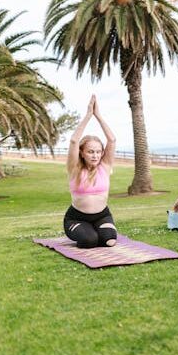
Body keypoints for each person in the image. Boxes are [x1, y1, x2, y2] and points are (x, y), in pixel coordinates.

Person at [64, 95, 117, 248]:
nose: (95, 155)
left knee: (110, 241)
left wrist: (98, 115)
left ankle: (98, 230)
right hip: (77, 218)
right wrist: (88, 115)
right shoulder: (74, 168)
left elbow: (112, 140)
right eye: (90, 152)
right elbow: (74, 141)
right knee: (89, 241)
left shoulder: (105, 166)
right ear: (82, 152)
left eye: (98, 152)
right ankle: (87, 231)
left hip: (102, 215)